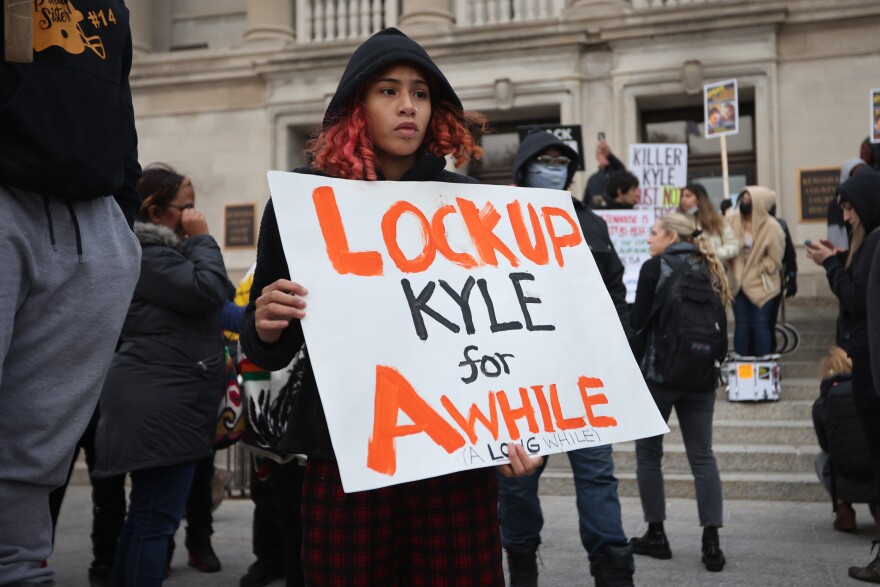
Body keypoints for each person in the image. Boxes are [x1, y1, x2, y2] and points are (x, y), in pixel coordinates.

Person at [240, 28, 541, 587]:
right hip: (347, 451)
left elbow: (507, 335)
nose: (408, 106)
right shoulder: (304, 204)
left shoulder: (473, 205)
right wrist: (264, 323)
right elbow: (272, 347)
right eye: (388, 91)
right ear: (357, 106)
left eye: (421, 93)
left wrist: (525, 426)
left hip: (456, 453)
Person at [0, 2, 142, 585]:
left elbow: (121, 103)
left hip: (90, 221)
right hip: (11, 195)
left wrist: (120, 218)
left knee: (37, 446)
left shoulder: (114, 8)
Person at [495, 130, 634, 587]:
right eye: (544, 160)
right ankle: (521, 565)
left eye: (561, 161)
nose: (553, 168)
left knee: (597, 475)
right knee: (516, 480)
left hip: (581, 377)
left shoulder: (592, 224)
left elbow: (615, 292)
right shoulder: (497, 221)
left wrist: (618, 348)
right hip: (523, 378)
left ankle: (613, 569)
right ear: (524, 167)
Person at [93, 164, 232, 586]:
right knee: (154, 522)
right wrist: (204, 238)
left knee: (147, 518)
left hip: (167, 401)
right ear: (155, 212)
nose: (193, 215)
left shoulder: (162, 256)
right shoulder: (149, 255)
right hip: (160, 405)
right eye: (185, 208)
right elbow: (211, 290)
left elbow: (217, 306)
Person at [629, 212, 729, 573]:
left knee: (648, 454)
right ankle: (711, 541)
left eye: (654, 233)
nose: (649, 240)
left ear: (671, 237)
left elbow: (638, 324)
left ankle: (657, 534)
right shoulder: (711, 267)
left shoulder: (654, 269)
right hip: (702, 378)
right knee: (703, 456)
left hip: (660, 376)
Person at [803, 171, 880, 583]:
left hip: (869, 363)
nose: (846, 217)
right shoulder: (866, 245)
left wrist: (831, 263)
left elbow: (854, 296)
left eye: (849, 208)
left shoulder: (875, 243)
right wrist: (839, 257)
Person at [810, 347, 877, 533]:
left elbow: (826, 445)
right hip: (876, 479)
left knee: (822, 458)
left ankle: (843, 509)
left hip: (843, 482)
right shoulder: (871, 395)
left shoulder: (822, 402)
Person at [726, 187, 785, 357]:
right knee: (742, 325)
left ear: (759, 202)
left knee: (760, 324)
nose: (744, 201)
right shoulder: (731, 219)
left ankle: (762, 368)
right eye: (742, 197)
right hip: (737, 282)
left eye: (748, 198)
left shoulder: (772, 227)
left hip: (762, 284)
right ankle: (741, 369)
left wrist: (758, 269)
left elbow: (775, 259)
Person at [677, 183, 739, 264]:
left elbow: (733, 246)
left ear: (699, 199)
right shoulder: (678, 222)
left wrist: (711, 253)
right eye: (682, 196)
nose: (683, 200)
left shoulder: (717, 221)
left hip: (713, 271)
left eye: (688, 196)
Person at [583, 140, 626, 209]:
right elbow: (586, 201)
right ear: (597, 157)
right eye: (601, 154)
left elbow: (622, 170)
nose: (604, 156)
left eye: (605, 154)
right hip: (594, 215)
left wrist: (609, 155)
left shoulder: (616, 174)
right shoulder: (592, 178)